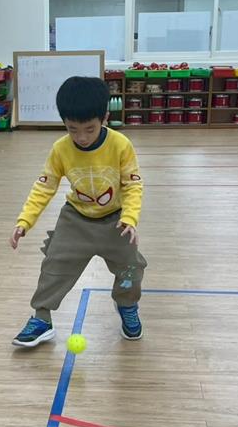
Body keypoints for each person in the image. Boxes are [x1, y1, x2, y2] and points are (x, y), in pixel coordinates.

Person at [10, 76, 145, 347]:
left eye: (89, 129)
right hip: (75, 219)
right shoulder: (60, 149)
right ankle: (42, 318)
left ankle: (127, 306)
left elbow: (132, 185)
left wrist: (130, 218)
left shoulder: (120, 145)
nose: (81, 138)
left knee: (131, 268)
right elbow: (44, 187)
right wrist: (25, 221)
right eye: (72, 129)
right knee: (53, 266)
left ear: (105, 117)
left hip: (116, 221)